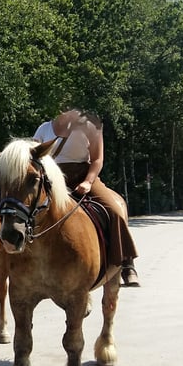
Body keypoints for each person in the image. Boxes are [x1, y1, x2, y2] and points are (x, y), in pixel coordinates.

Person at [33, 108, 141, 287]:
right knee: (27, 212)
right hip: (52, 180)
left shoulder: (90, 127)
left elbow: (97, 159)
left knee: (114, 210)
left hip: (83, 175)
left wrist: (88, 182)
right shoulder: (43, 129)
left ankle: (127, 264)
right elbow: (33, 158)